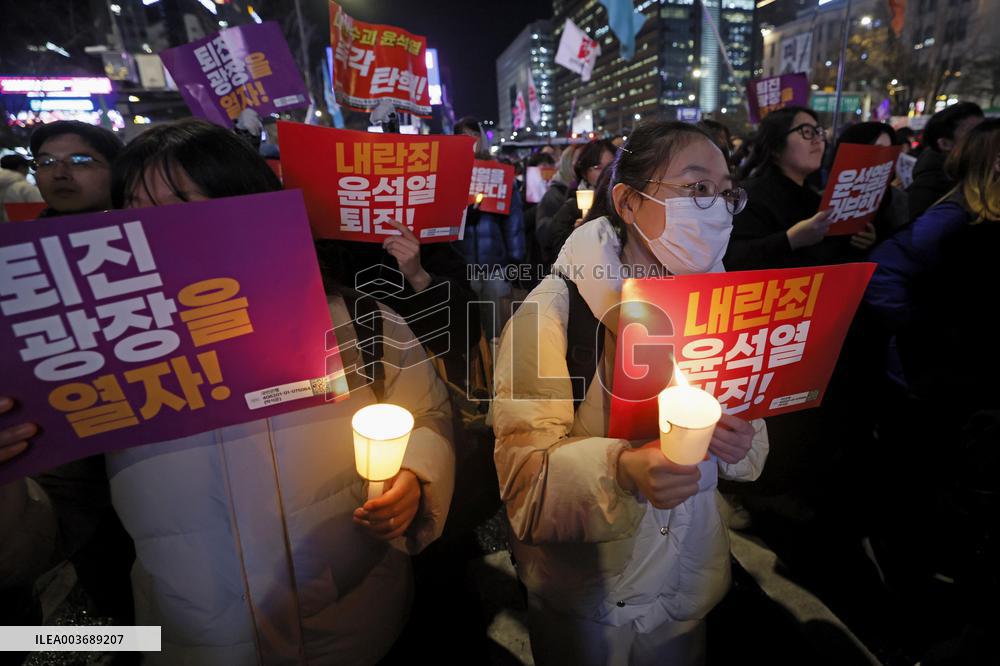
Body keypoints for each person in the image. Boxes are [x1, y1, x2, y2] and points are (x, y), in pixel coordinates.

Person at [1, 118, 455, 665]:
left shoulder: (357, 320)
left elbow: (427, 413)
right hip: (192, 640)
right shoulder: (85, 359)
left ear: (248, 209)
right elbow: (35, 539)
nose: (158, 230)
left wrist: (416, 478)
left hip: (355, 625)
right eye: (136, 212)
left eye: (185, 206)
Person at [492, 120, 768, 665]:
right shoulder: (553, 313)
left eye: (725, 191)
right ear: (628, 201)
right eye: (695, 188)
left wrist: (740, 444)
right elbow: (525, 479)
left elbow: (755, 426)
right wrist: (621, 469)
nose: (715, 207)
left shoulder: (729, 309)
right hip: (590, 600)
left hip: (687, 586)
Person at [724, 106, 877, 271]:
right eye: (807, 132)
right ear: (776, 145)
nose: (818, 139)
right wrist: (790, 240)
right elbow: (734, 258)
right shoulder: (748, 196)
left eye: (819, 132)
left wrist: (860, 242)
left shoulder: (818, 199)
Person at [451, 116, 526, 342]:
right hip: (461, 261)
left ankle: (498, 368)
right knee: (470, 325)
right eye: (463, 136)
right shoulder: (449, 173)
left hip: (494, 262)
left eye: (474, 135)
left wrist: (515, 258)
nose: (470, 141)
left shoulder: (499, 173)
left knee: (497, 325)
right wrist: (463, 217)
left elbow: (514, 219)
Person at [535, 139, 616, 266]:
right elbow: (556, 254)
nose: (607, 172)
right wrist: (577, 234)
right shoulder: (572, 206)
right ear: (584, 173)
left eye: (611, 166)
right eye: (598, 168)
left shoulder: (623, 203)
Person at [906, 102, 984, 222]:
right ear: (945, 144)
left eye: (986, 129)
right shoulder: (926, 193)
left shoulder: (983, 176)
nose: (988, 139)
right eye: (975, 134)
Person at [28, 120, 123, 217]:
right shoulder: (28, 231)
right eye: (46, 163)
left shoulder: (136, 227)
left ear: (116, 170)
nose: (59, 174)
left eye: (79, 162)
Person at [834, 122, 908, 235]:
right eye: (878, 149)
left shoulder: (897, 199)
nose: (884, 156)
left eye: (889, 150)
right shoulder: (825, 197)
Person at [0, 154, 44, 222]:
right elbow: (42, 212)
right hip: (24, 229)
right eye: (26, 168)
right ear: (21, 168)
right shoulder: (24, 188)